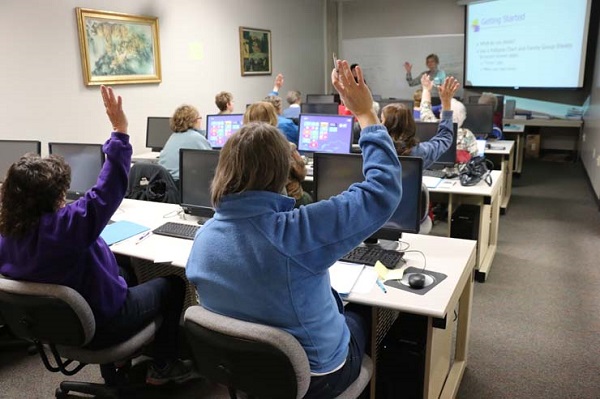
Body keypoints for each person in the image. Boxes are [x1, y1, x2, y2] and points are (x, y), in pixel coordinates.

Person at [186, 60, 402, 398]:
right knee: (364, 316)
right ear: (281, 170)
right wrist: (366, 116)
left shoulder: (204, 238)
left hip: (245, 369)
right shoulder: (297, 232)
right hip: (316, 375)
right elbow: (382, 191)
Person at [0, 86, 194, 386]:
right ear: (55, 196)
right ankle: (164, 365)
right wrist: (120, 130)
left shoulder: (7, 232)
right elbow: (110, 185)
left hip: (55, 328)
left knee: (126, 268)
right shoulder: (68, 226)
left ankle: (121, 362)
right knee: (172, 285)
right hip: (104, 323)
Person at [244, 102, 312, 207]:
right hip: (287, 201)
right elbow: (301, 173)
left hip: (254, 204)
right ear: (273, 119)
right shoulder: (286, 147)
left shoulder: (239, 150)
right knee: (307, 197)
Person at [381, 76, 459, 169]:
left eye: (382, 120)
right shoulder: (419, 152)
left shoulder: (373, 150)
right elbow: (445, 137)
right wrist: (446, 103)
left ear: (387, 126)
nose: (380, 124)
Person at [419, 75, 478, 163]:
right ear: (463, 117)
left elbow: (425, 109)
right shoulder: (467, 135)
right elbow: (474, 158)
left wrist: (426, 89)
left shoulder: (433, 126)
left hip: (431, 172)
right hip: (458, 175)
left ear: (443, 114)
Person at [158, 105, 211, 182]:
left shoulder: (173, 136)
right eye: (199, 118)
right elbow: (212, 163)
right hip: (181, 184)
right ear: (194, 121)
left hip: (168, 184)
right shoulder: (195, 137)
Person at [266, 73, 300, 142]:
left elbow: (269, 102)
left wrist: (276, 88)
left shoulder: (261, 122)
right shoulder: (286, 124)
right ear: (279, 108)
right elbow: (301, 135)